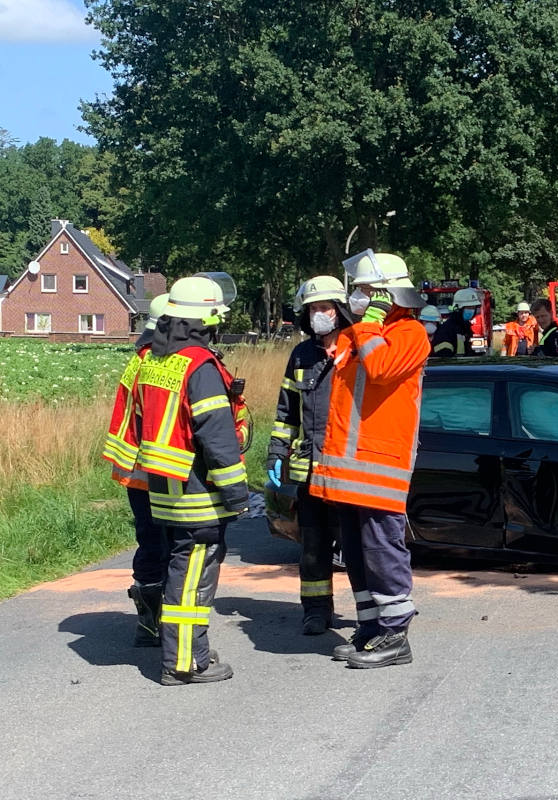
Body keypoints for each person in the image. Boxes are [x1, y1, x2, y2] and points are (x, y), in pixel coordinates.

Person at [309, 250, 429, 669]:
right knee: (357, 551)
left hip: (379, 467)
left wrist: (370, 322)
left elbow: (379, 369)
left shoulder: (410, 333)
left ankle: (395, 634)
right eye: (357, 290)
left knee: (382, 549)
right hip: (347, 467)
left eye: (365, 290)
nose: (357, 297)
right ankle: (371, 627)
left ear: (386, 295)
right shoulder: (356, 334)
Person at [131, 275, 248, 685]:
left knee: (181, 568)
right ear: (205, 320)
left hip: (165, 486)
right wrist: (237, 493)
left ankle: (187, 650)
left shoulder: (157, 360)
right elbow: (216, 434)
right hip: (197, 490)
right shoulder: (199, 365)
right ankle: (184, 663)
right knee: (192, 576)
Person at [267, 276, 355, 635]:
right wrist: (277, 451)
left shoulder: (358, 349)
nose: (318, 314)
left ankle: (369, 614)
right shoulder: (301, 355)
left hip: (349, 468)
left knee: (357, 546)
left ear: (340, 311)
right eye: (313, 308)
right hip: (310, 469)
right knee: (313, 547)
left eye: (325, 308)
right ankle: (316, 611)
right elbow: (286, 411)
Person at [102, 293, 170, 647]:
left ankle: (148, 623)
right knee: (173, 545)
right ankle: (168, 626)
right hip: (162, 471)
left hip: (137, 472)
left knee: (150, 542)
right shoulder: (161, 365)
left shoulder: (139, 360)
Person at [431, 287, 482, 356]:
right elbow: (443, 357)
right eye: (468, 307)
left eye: (473, 308)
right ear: (458, 309)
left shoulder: (464, 327)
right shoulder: (447, 330)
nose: (472, 311)